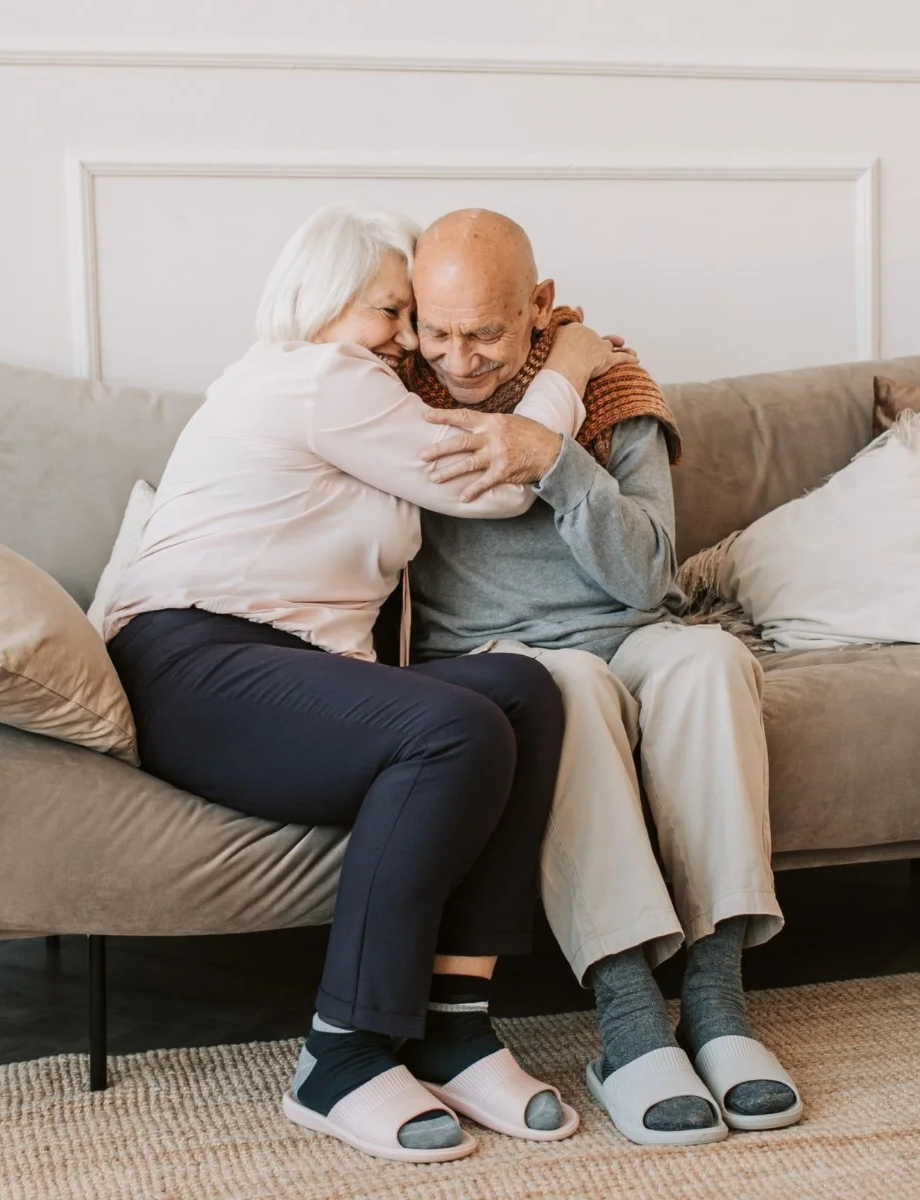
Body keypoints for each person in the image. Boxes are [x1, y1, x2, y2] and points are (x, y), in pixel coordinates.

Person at [103, 206, 632, 1163]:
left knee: (523, 692)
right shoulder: (320, 376)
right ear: (326, 301)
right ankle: (340, 1055)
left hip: (275, 668)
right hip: (195, 663)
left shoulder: (353, 391)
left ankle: (455, 1028)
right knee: (455, 730)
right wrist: (568, 368)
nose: (407, 339)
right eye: (393, 312)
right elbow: (497, 482)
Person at [404, 209, 804, 1147]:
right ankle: (626, 1024)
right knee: (565, 689)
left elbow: (651, 574)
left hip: (631, 629)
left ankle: (716, 1005)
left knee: (709, 657)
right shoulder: (389, 393)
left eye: (487, 333)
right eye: (438, 329)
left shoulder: (614, 385)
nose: (458, 360)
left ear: (539, 307)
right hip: (499, 659)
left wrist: (558, 459)